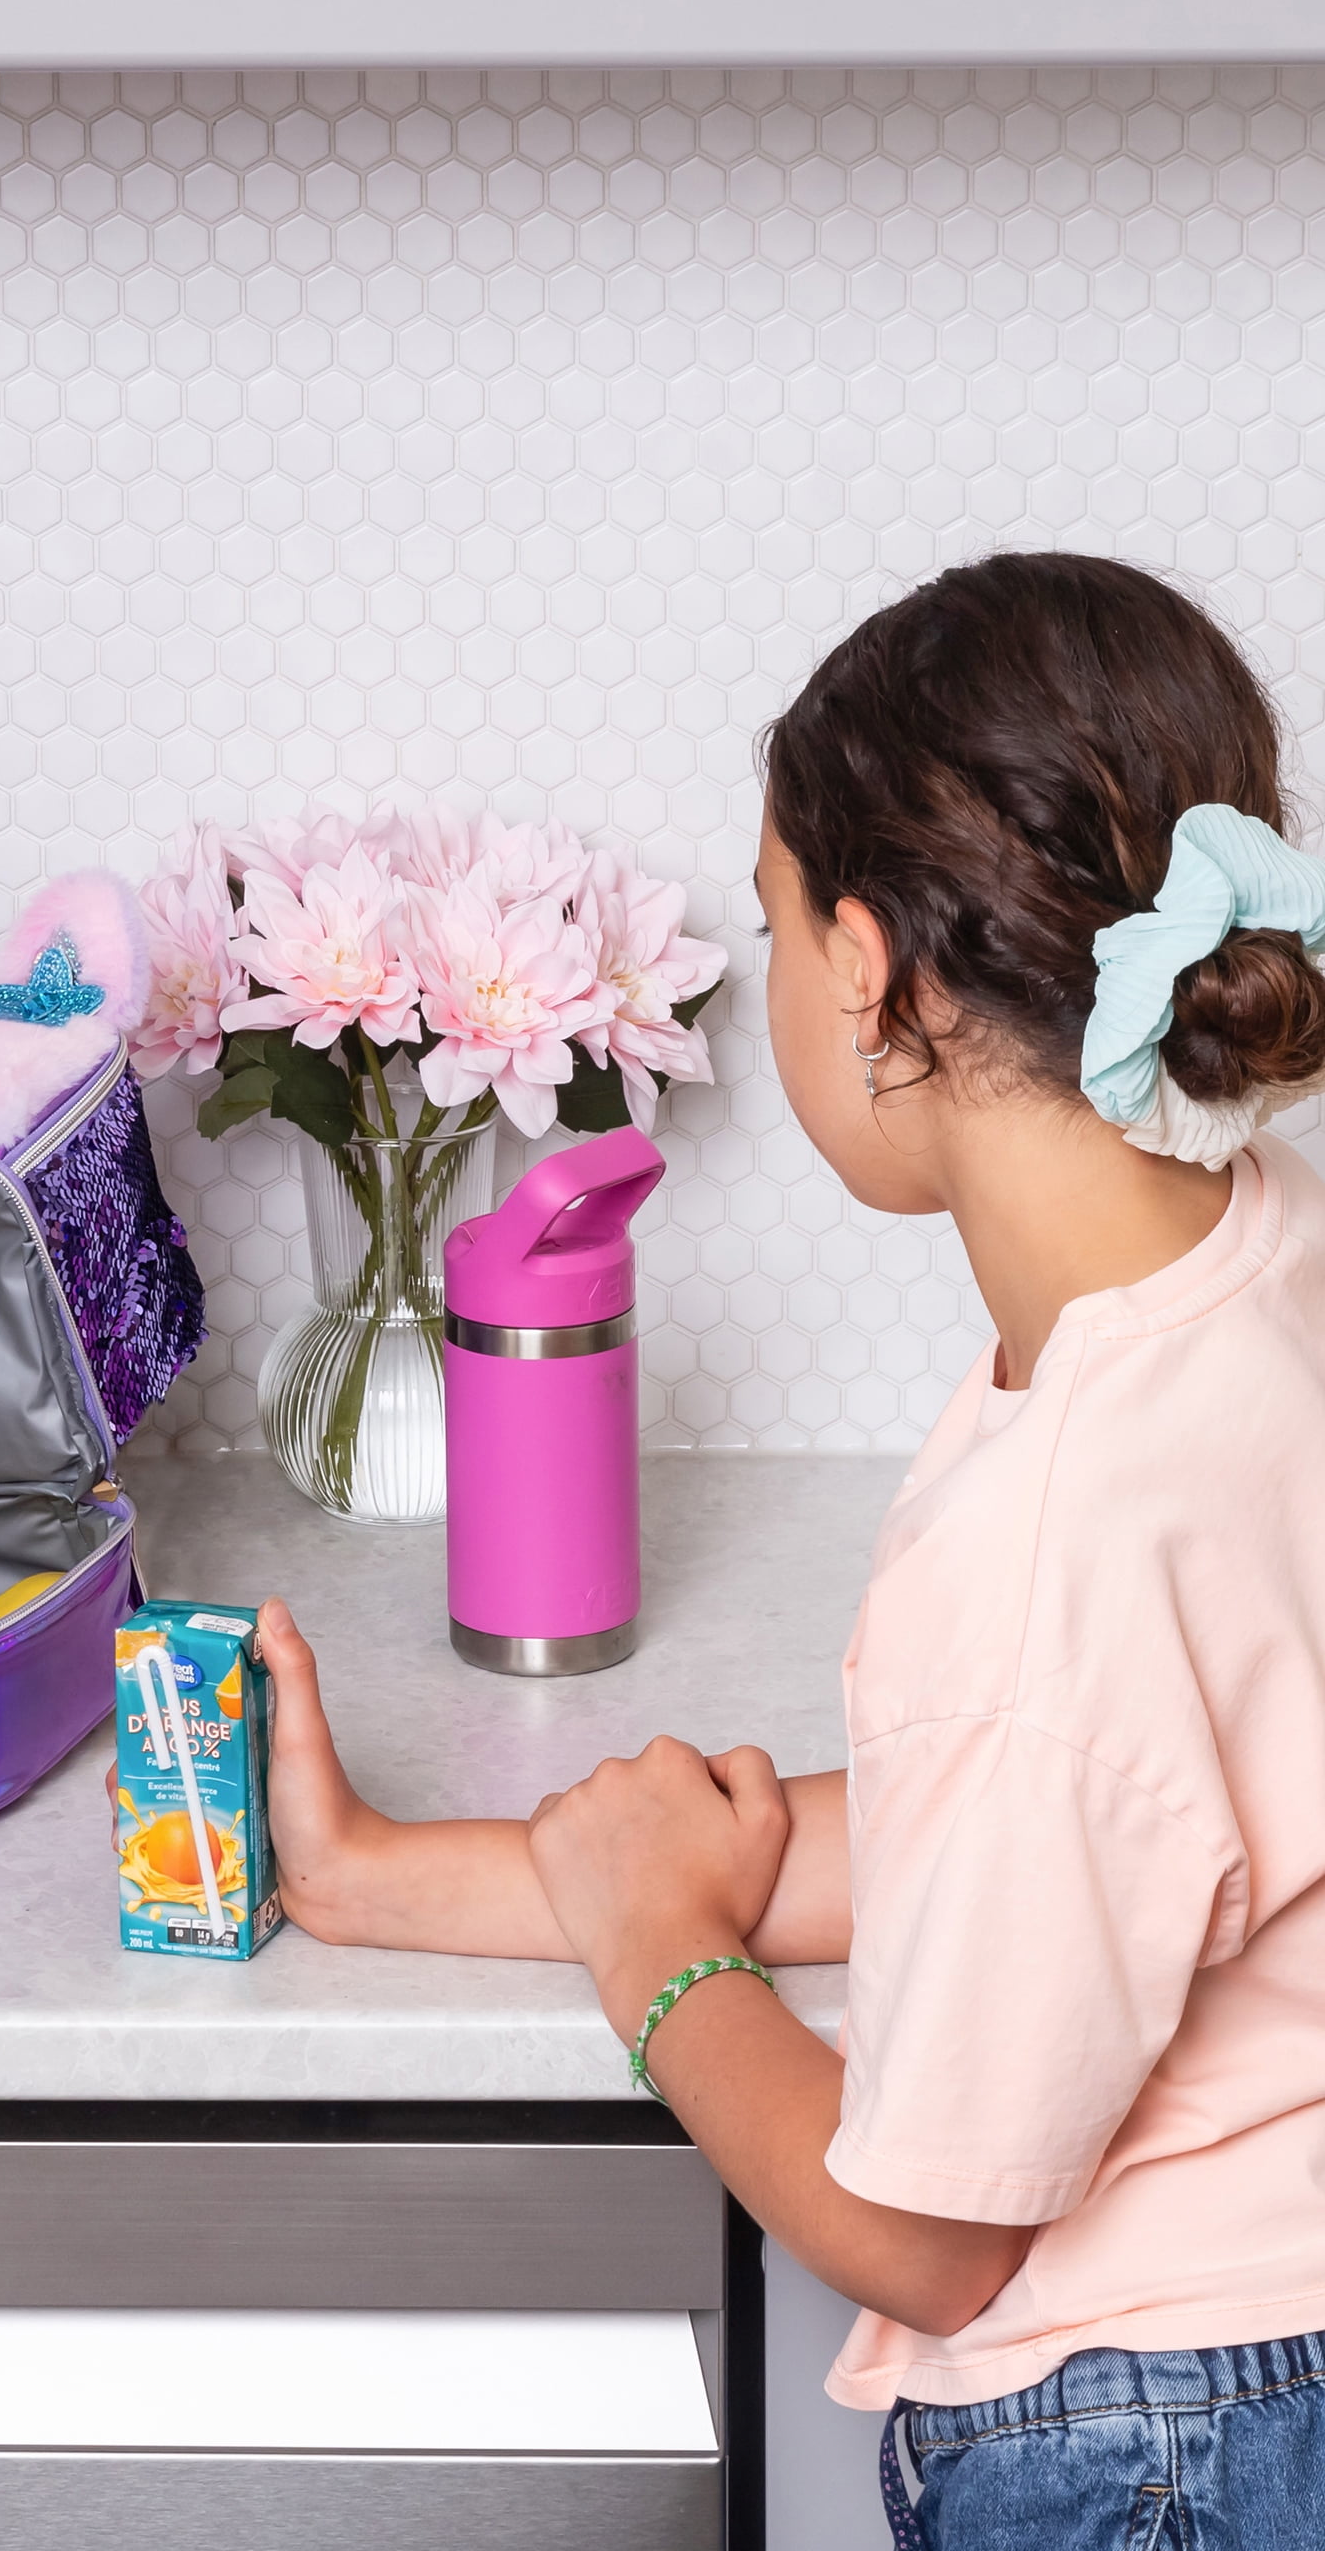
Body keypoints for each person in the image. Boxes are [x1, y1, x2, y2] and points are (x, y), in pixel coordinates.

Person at [258, 550, 1325, 2545]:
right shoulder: (1265, 1260)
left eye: (768, 924)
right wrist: (386, 1877)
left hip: (1159, 2443)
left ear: (866, 965)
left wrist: (664, 1960)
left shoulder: (1063, 1528)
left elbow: (922, 2240)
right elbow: (1077, 1818)